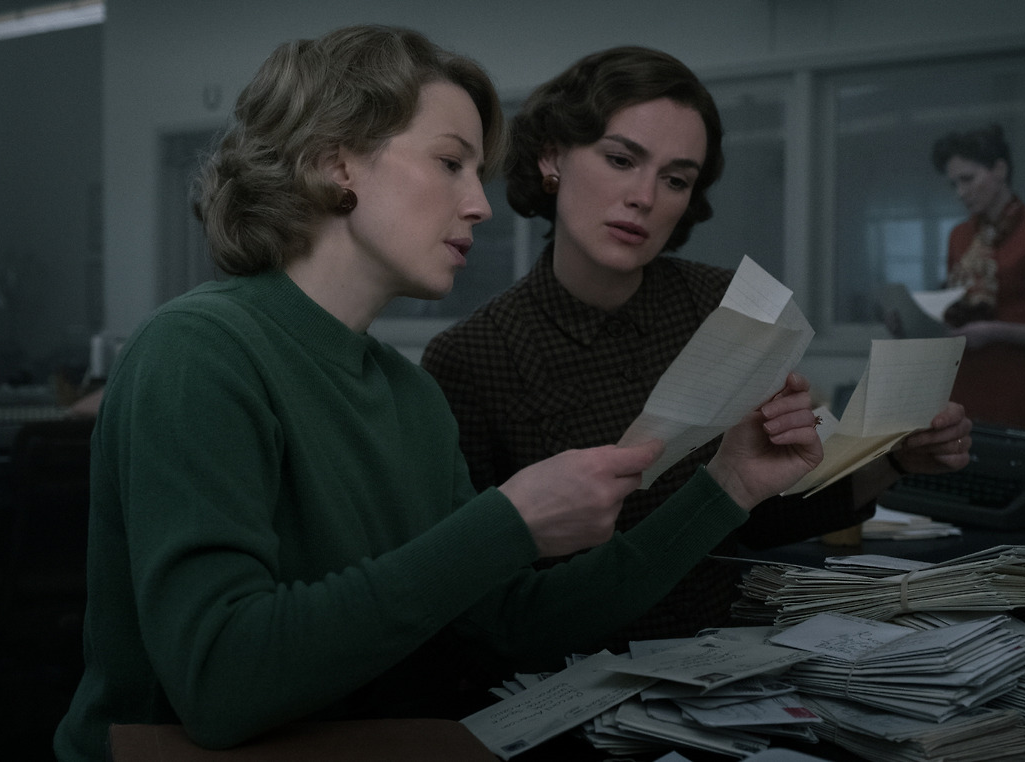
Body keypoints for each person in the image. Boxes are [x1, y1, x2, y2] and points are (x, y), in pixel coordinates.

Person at [53, 26, 828, 761]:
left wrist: (727, 486)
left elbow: (511, 625)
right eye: (450, 162)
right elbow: (221, 683)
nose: (480, 205)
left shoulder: (409, 395)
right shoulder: (199, 351)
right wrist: (508, 521)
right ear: (335, 163)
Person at [422, 46, 972, 647]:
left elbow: (757, 517)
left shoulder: (725, 306)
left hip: (723, 654)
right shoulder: (472, 356)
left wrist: (894, 460)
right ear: (552, 157)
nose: (645, 196)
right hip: (565, 664)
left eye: (675, 179)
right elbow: (479, 598)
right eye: (621, 159)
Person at [931, 124, 1025, 429]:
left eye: (968, 179)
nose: (960, 192)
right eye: (954, 184)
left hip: (1014, 388)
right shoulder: (960, 236)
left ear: (999, 170)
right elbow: (953, 309)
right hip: (960, 384)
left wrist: (995, 331)